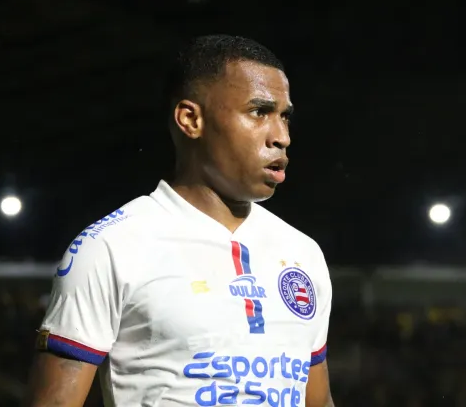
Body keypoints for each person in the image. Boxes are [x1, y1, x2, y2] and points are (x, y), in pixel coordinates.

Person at [25, 35, 334, 407]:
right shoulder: (112, 246)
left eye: (284, 116)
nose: (281, 137)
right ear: (191, 119)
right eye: (259, 112)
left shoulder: (303, 253)